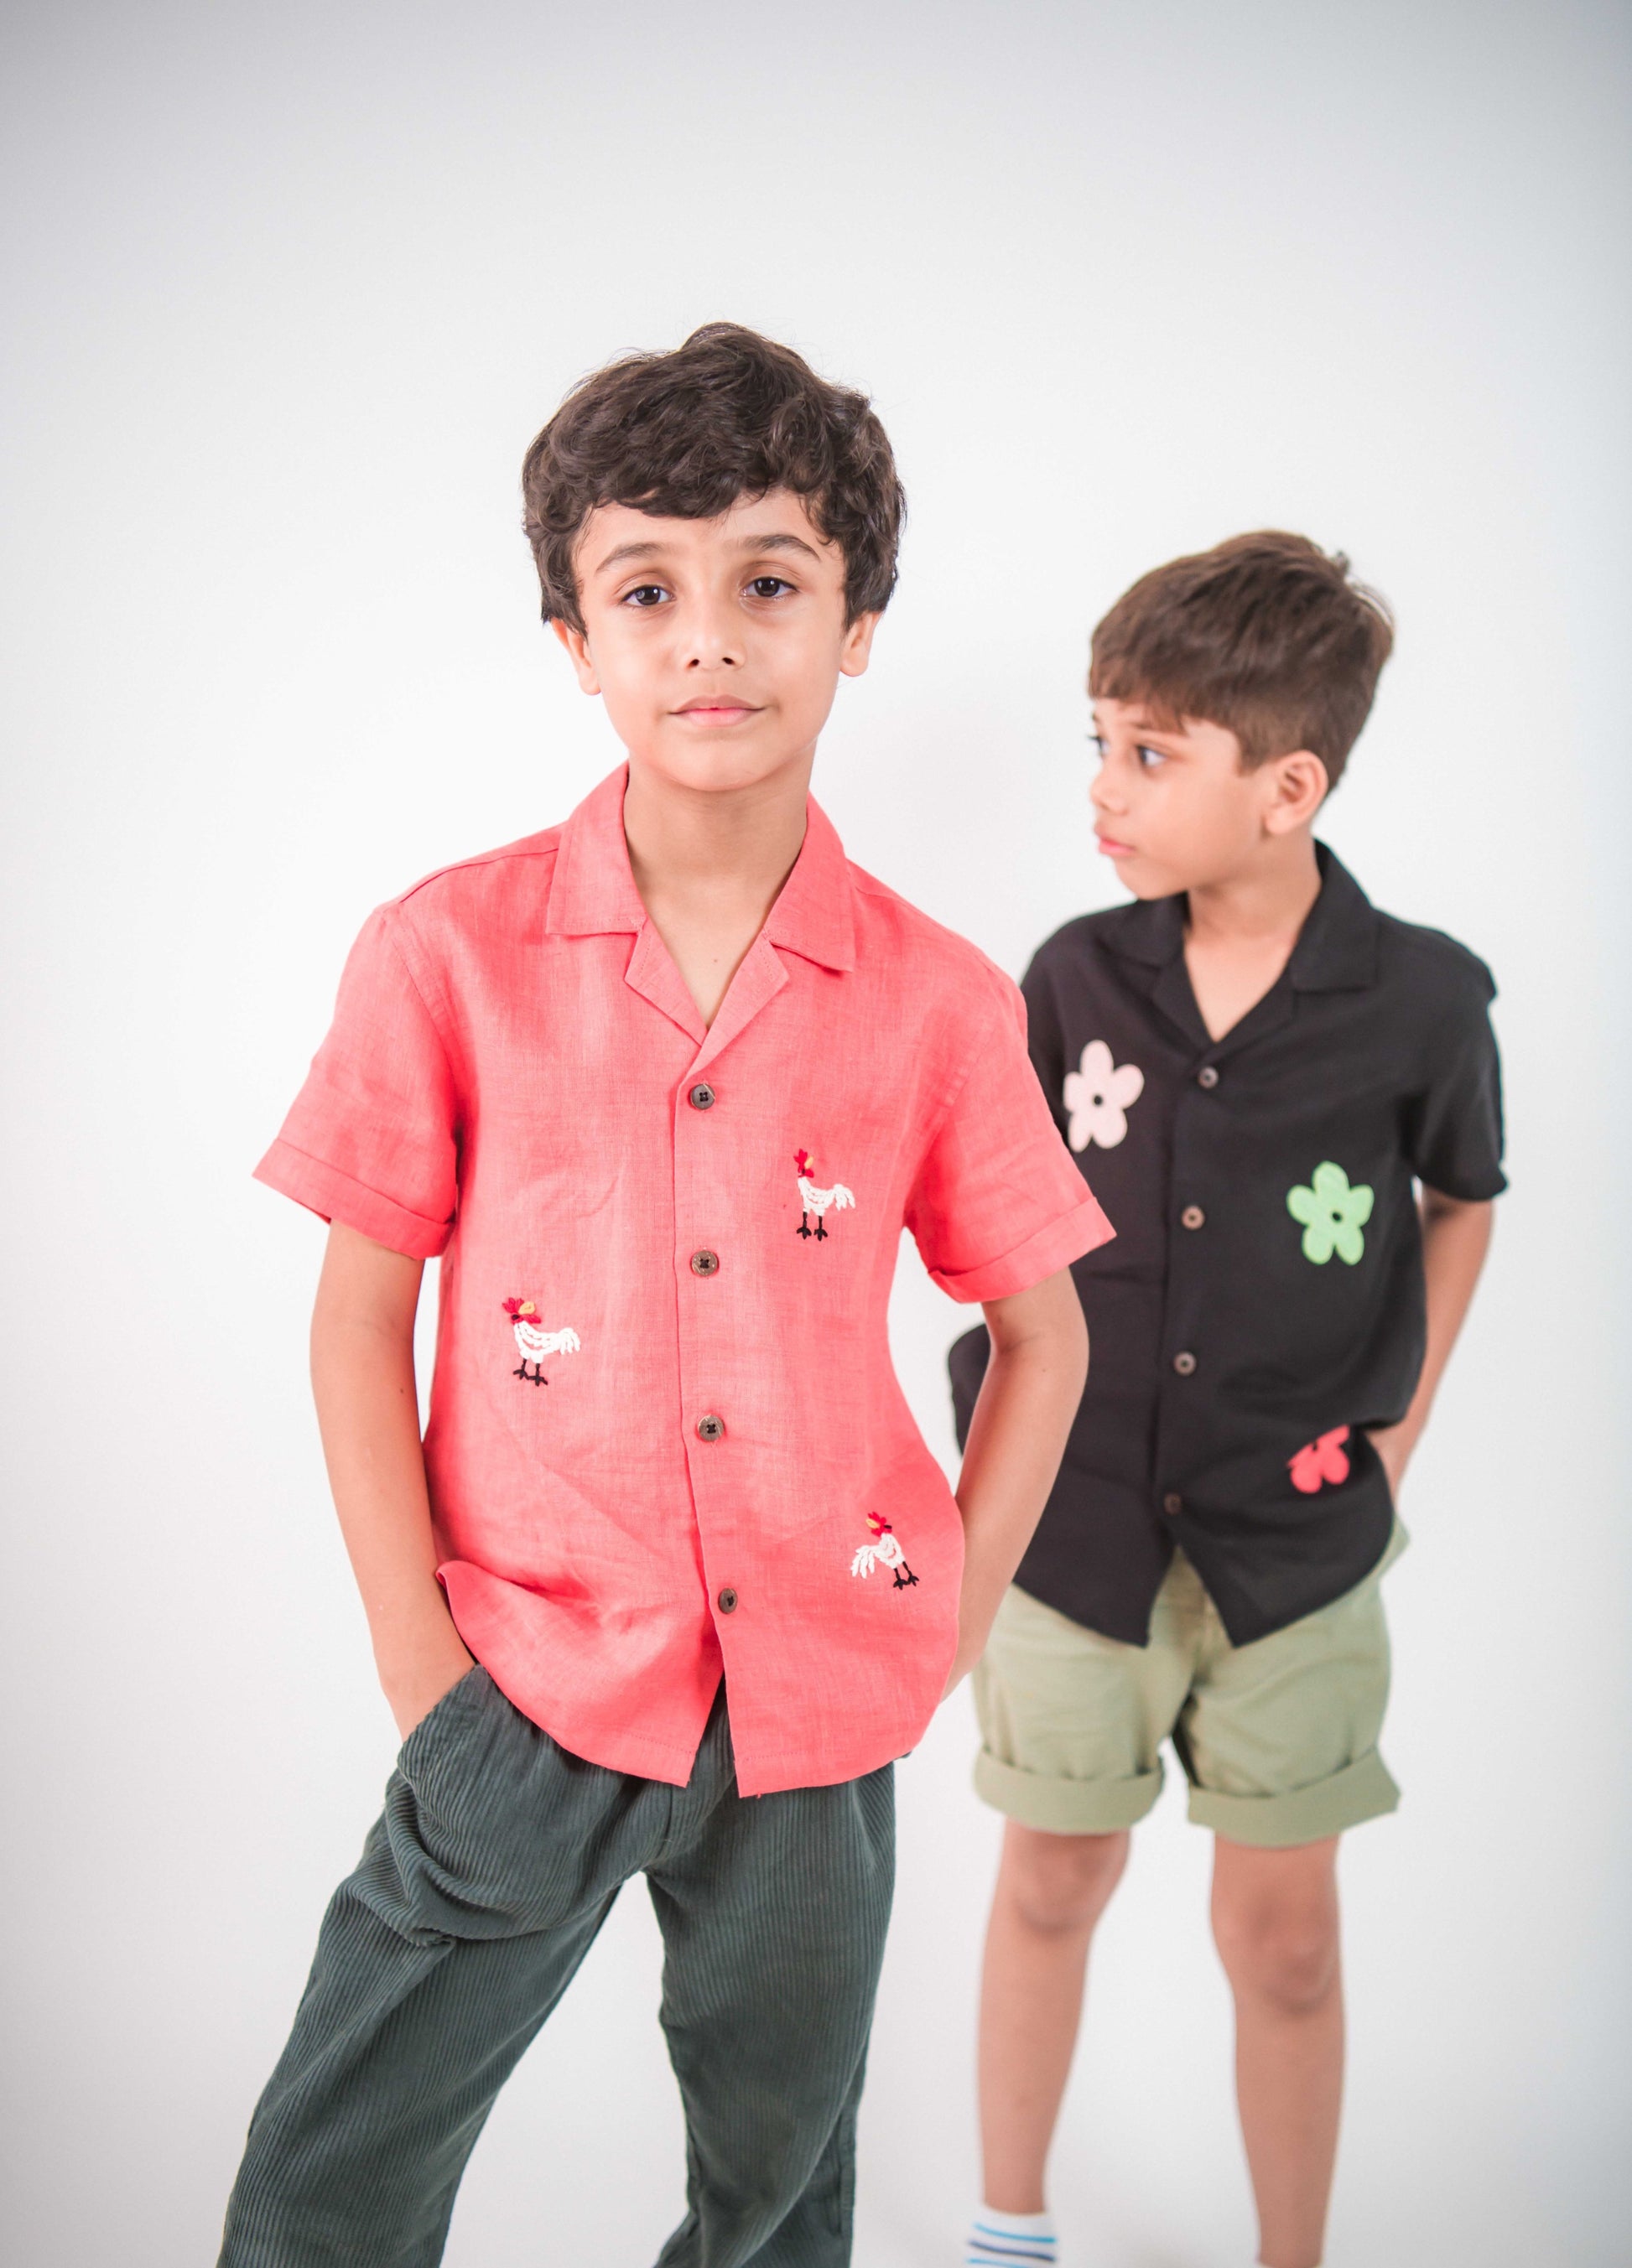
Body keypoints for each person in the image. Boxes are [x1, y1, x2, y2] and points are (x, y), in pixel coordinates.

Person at [218, 322, 1113, 2268]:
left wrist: (934, 1634)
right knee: (328, 2190)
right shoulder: (446, 954)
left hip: (816, 1707)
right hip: (523, 1687)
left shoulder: (943, 1001)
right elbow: (358, 1312)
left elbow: (1044, 1329)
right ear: (577, 640)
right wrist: (418, 1673)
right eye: (648, 591)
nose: (709, 640)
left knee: (780, 2197)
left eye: (769, 584)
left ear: (854, 618)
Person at [950, 534, 1504, 2268]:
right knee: (1049, 1881)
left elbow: (1462, 1195)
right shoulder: (1072, 978)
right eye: (1097, 740)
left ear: (1285, 786)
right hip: (1074, 1528)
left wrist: (1398, 1430)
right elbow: (997, 1219)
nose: (1102, 789)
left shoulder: (1421, 999)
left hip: (1298, 1553)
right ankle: (1005, 2230)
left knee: (1285, 1942)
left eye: (1147, 751)